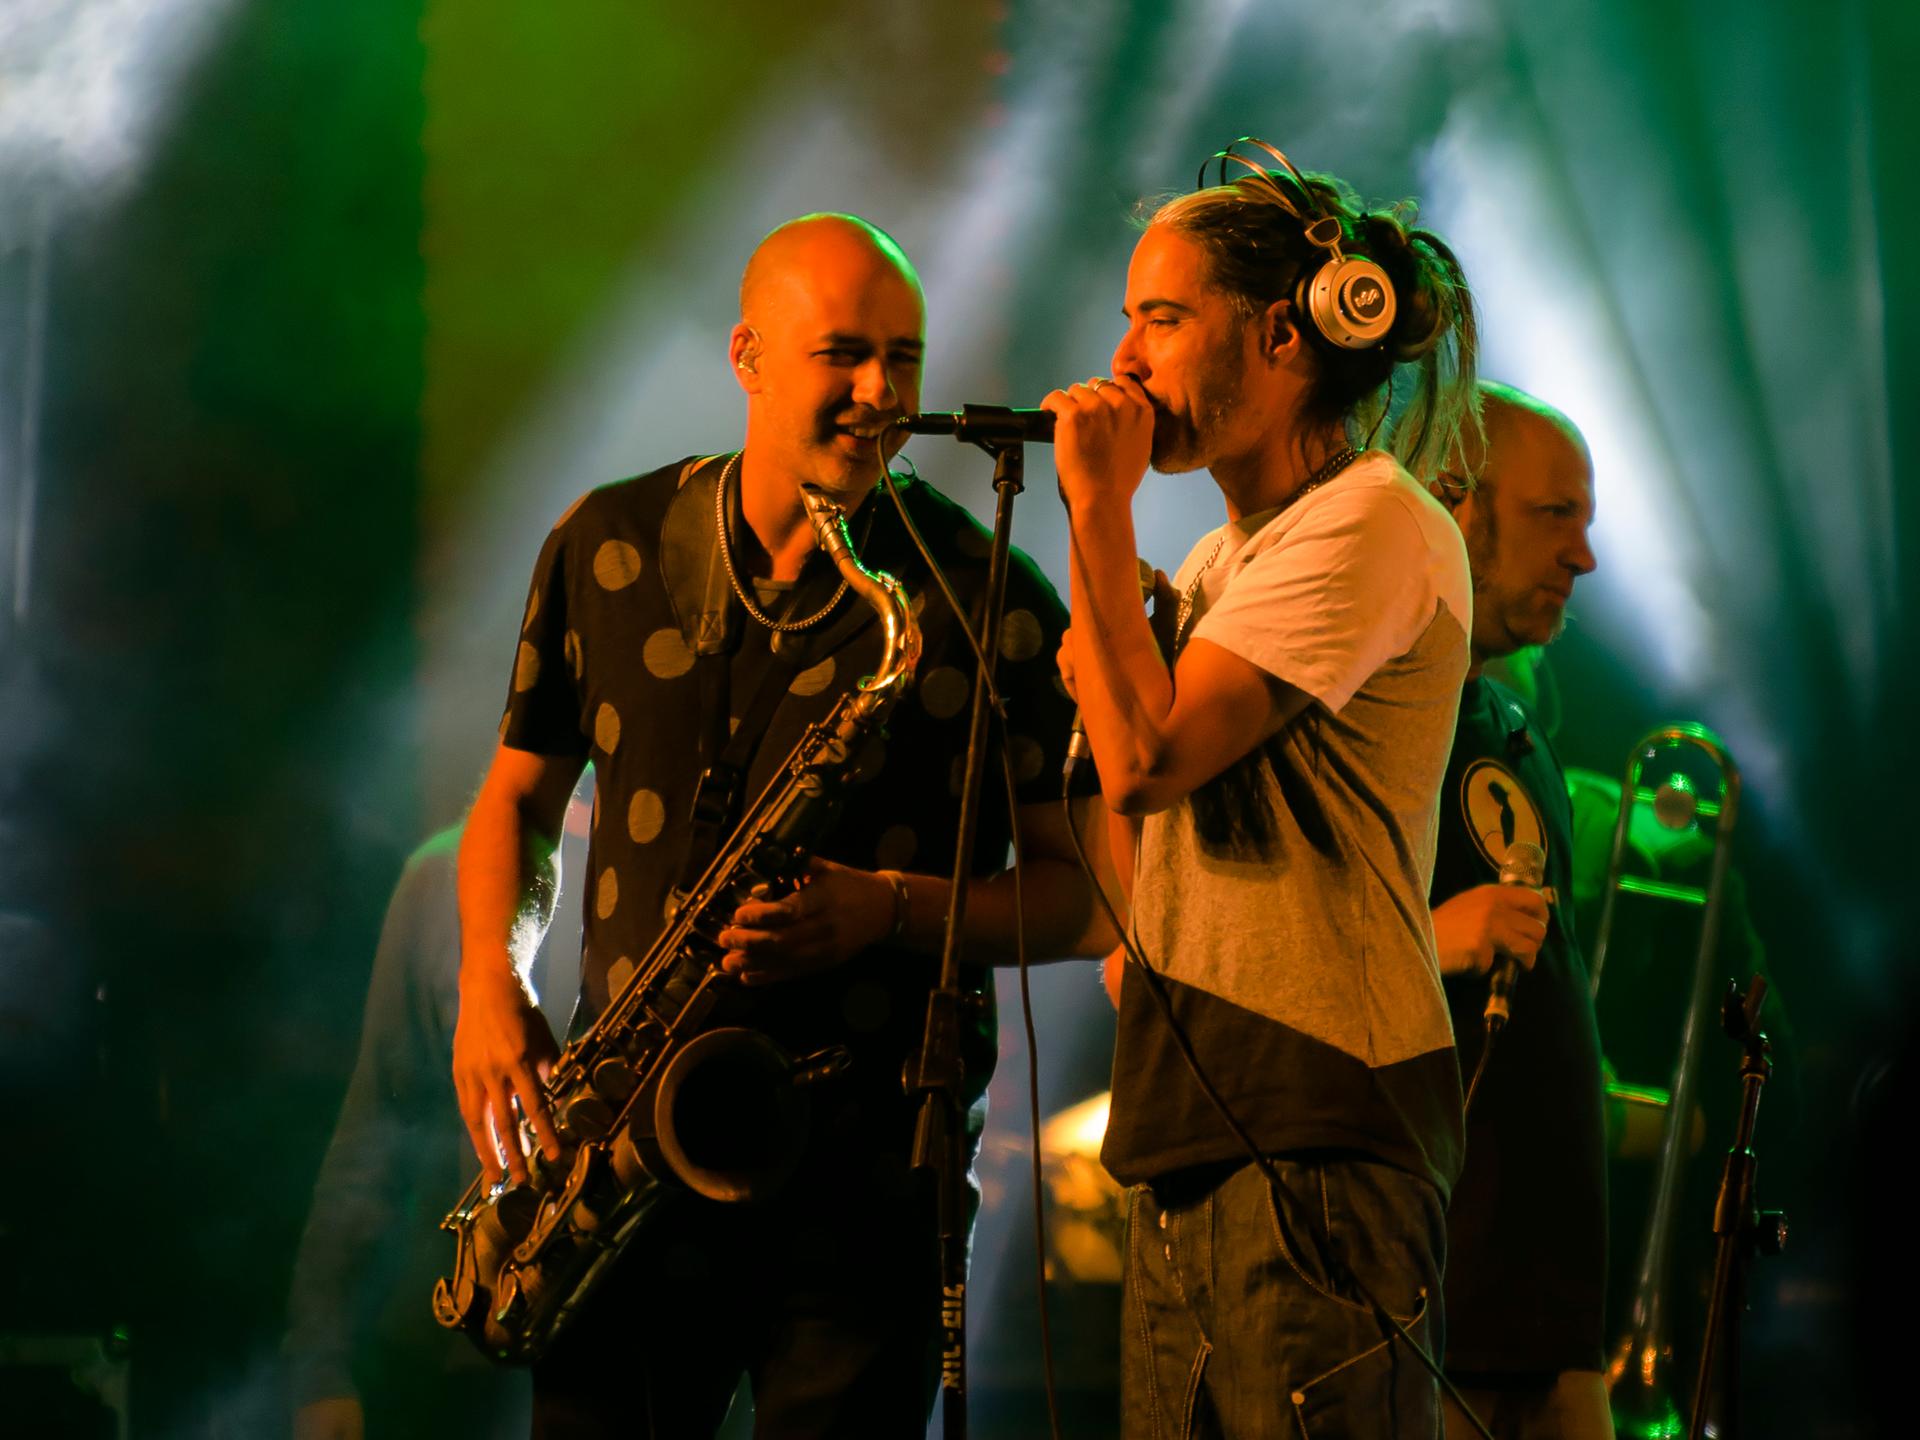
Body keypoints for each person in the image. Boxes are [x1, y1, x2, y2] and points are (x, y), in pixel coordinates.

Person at [451, 212, 1109, 1438]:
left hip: (868, 1186)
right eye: (844, 355)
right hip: (626, 1161)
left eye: (904, 360)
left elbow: (1087, 897)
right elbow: (513, 803)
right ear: (749, 355)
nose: (881, 394)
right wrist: (491, 977)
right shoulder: (604, 544)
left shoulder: (983, 592)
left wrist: (886, 911)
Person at [1046, 142, 1479, 1436]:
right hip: (1197, 1113)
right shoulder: (1225, 559)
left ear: (1286, 336)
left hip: (1321, 1120)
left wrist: (1098, 518)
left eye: (1165, 319)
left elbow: (1151, 759)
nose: (1126, 358)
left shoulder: (1375, 521)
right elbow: (1114, 804)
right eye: (1128, 319)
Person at [1423, 383, 1612, 1439]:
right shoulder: (1377, 718)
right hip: (1434, 1317)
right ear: (1457, 501)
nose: (1583, 556)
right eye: (1556, 516)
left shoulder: (1508, 725)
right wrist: (1434, 939)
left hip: (1545, 1325)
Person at [284, 803, 584, 1440]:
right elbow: (372, 1132)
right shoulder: (441, 872)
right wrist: (322, 1367)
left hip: (636, 1338)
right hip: (466, 1348)